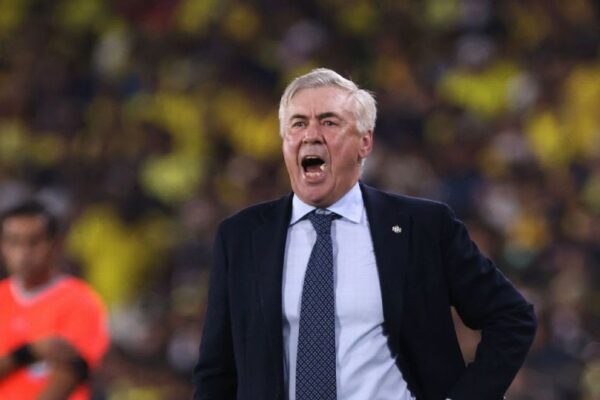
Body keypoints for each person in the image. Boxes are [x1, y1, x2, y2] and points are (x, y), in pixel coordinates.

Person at [192, 68, 537, 400]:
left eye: (329, 122)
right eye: (298, 123)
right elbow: (218, 371)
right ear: (285, 142)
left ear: (365, 142)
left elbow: (511, 317)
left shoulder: (423, 227)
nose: (311, 135)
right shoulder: (242, 237)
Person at [0, 200, 110, 400]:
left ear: (56, 245)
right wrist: (29, 352)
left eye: (34, 242)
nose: (23, 253)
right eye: (14, 242)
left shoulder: (80, 302)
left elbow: (70, 375)